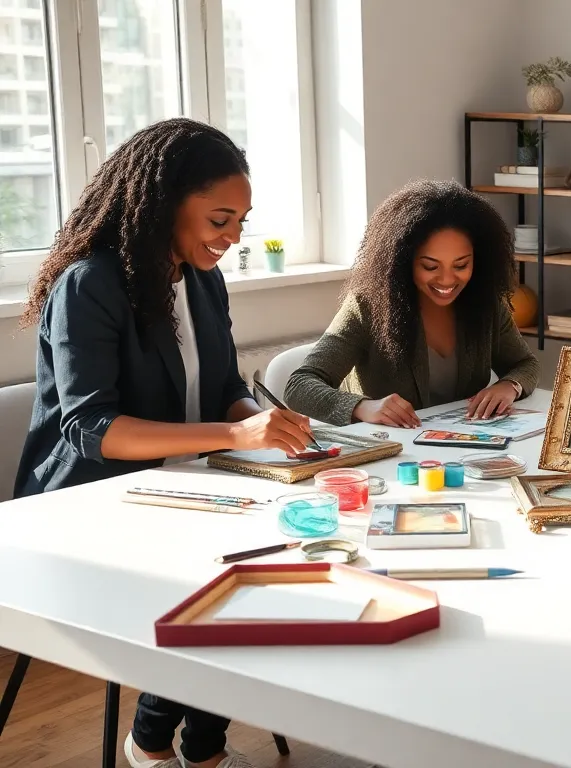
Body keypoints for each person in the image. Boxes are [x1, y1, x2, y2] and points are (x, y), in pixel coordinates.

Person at [13, 117, 315, 768]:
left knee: (280, 554)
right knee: (234, 575)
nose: (233, 238)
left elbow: (226, 387)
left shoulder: (202, 280)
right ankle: (165, 742)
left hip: (175, 489)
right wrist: (237, 433)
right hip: (82, 508)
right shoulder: (90, 285)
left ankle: (183, 741)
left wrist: (273, 429)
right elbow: (90, 429)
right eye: (219, 220)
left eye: (242, 222)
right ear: (163, 205)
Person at [284, 179, 540, 427]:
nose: (447, 279)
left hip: (461, 450)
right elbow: (300, 386)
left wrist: (510, 386)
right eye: (430, 266)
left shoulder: (485, 303)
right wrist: (362, 407)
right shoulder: (368, 307)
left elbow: (525, 363)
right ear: (403, 261)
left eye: (461, 265)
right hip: (391, 454)